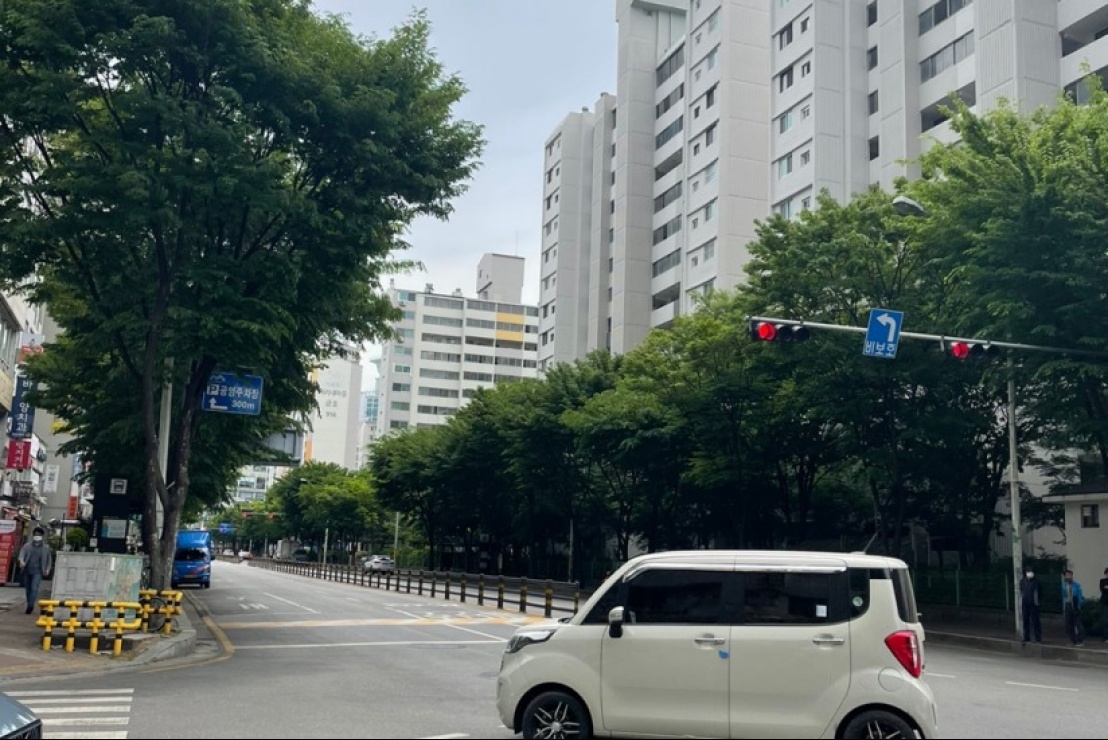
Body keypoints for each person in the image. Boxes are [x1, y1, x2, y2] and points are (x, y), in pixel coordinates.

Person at [17, 526, 53, 615]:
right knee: (28, 589)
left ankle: (30, 606)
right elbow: (21, 555)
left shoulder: (46, 548)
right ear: (33, 535)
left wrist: (47, 569)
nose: (37, 536)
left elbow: (49, 560)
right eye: (36, 534)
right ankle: (29, 602)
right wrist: (22, 561)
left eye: (39, 535)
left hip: (38, 571)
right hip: (26, 570)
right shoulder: (27, 546)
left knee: (34, 588)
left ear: (42, 536)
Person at [1061, 569, 1085, 646]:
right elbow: (1063, 595)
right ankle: (1073, 639)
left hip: (1075, 604)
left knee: (1077, 623)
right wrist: (1064, 605)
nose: (1067, 577)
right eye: (1066, 575)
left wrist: (1079, 605)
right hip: (1067, 604)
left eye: (1069, 575)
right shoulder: (1064, 585)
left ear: (1071, 576)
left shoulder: (1076, 585)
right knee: (1069, 622)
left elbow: (1080, 595)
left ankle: (1080, 640)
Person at [1019, 569, 1042, 644]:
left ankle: (1037, 638)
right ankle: (1026, 637)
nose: (1030, 574)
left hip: (1034, 604)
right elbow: (1021, 591)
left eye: (1031, 572)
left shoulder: (1036, 582)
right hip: (1025, 603)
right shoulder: (1022, 581)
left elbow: (1040, 592)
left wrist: (1038, 602)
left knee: (1035, 621)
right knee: (1026, 620)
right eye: (1029, 572)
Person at [1100, 567, 1108, 643]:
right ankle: (1105, 637)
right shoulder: (1102, 581)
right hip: (1105, 603)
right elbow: (1102, 589)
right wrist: (1105, 587)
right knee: (1105, 621)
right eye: (1107, 573)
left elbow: (1105, 588)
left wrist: (1106, 587)